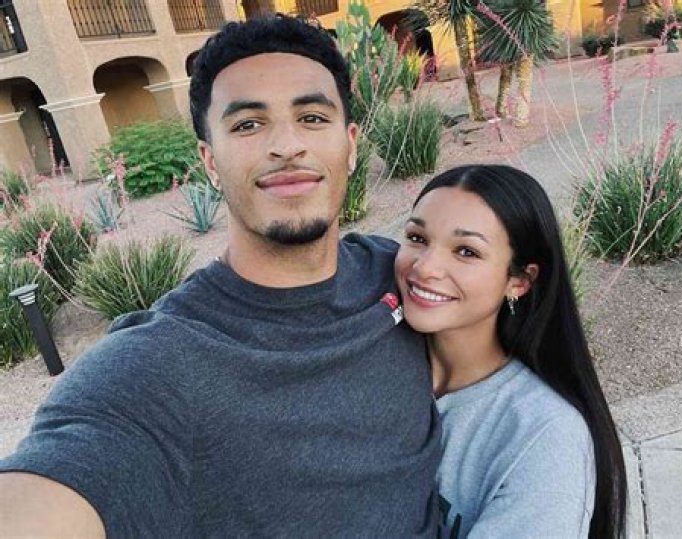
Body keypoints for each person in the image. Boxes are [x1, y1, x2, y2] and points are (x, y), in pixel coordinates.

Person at [0, 16, 440, 537]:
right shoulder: (156, 367)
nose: (287, 145)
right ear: (209, 161)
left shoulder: (406, 275)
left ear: (350, 145)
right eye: (248, 125)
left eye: (312, 117)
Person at [394, 165, 627, 538]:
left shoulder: (544, 435)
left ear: (519, 281)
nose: (425, 267)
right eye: (417, 238)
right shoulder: (373, 356)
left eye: (466, 251)